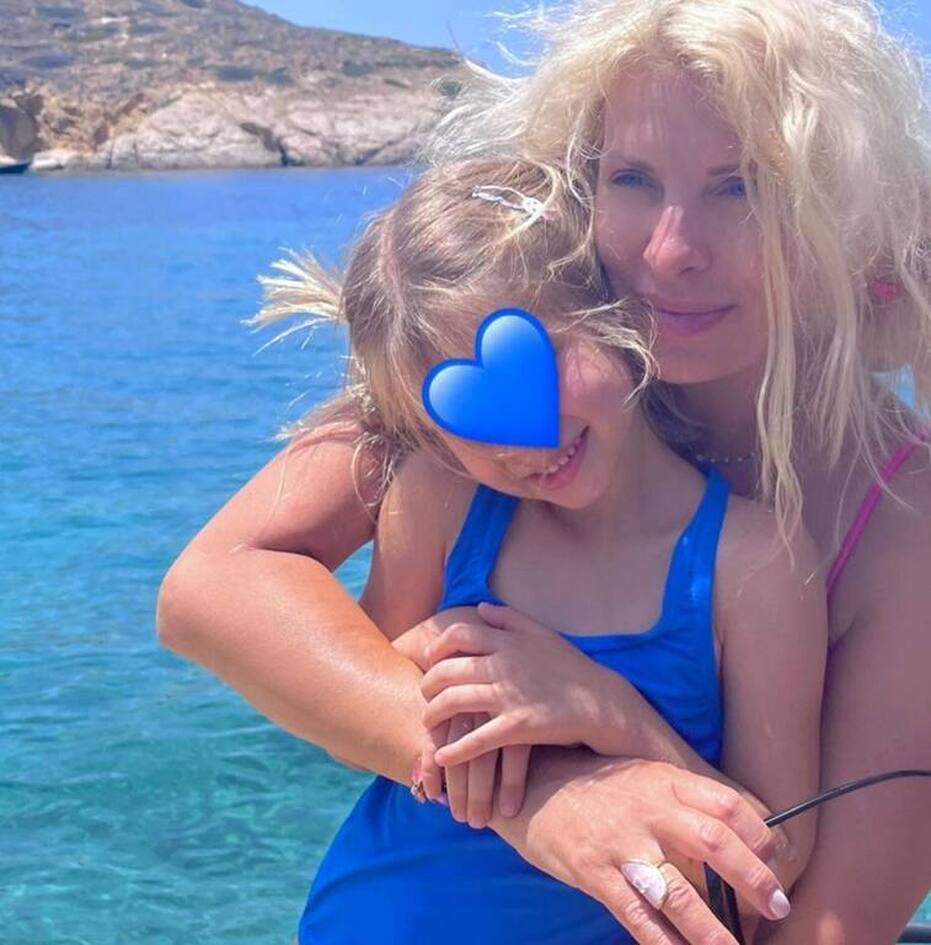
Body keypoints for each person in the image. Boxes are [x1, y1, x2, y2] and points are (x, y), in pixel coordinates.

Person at [156, 1, 931, 942]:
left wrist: (606, 727)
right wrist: (549, 791)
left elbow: (812, 920)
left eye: (745, 187)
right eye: (632, 177)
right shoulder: (525, 383)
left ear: (845, 212)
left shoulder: (897, 520)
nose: (671, 250)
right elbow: (210, 585)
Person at [250, 155, 825, 944]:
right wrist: (423, 664)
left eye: (539, 367)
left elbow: (773, 863)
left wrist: (607, 711)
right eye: (467, 417)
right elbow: (366, 726)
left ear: (610, 311)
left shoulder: (752, 561)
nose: (523, 439)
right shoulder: (441, 498)